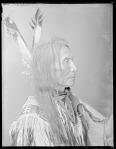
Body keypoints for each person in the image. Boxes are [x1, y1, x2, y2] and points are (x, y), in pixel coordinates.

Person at [5, 7, 113, 146]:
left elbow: (105, 130)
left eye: (72, 61)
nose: (75, 68)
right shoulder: (32, 117)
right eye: (66, 62)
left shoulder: (72, 102)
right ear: (47, 69)